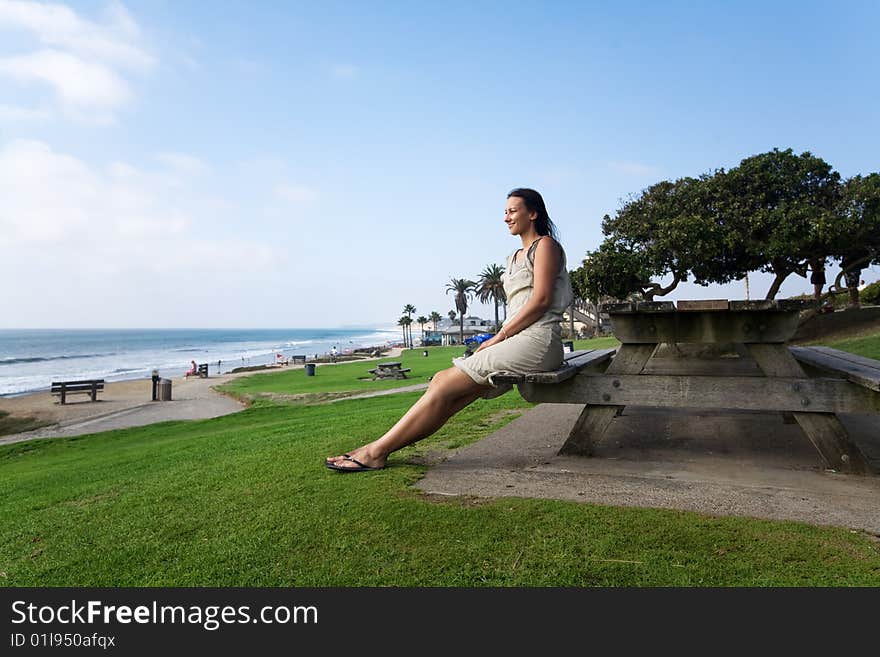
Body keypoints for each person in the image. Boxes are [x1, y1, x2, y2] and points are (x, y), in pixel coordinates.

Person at [326, 188, 572, 472]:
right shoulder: (513, 257)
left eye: (513, 211)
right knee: (445, 389)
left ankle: (375, 452)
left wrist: (499, 336)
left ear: (533, 213)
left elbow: (540, 300)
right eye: (505, 212)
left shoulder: (546, 246)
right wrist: (502, 338)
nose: (506, 217)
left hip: (538, 342)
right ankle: (378, 449)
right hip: (517, 341)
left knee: (443, 385)